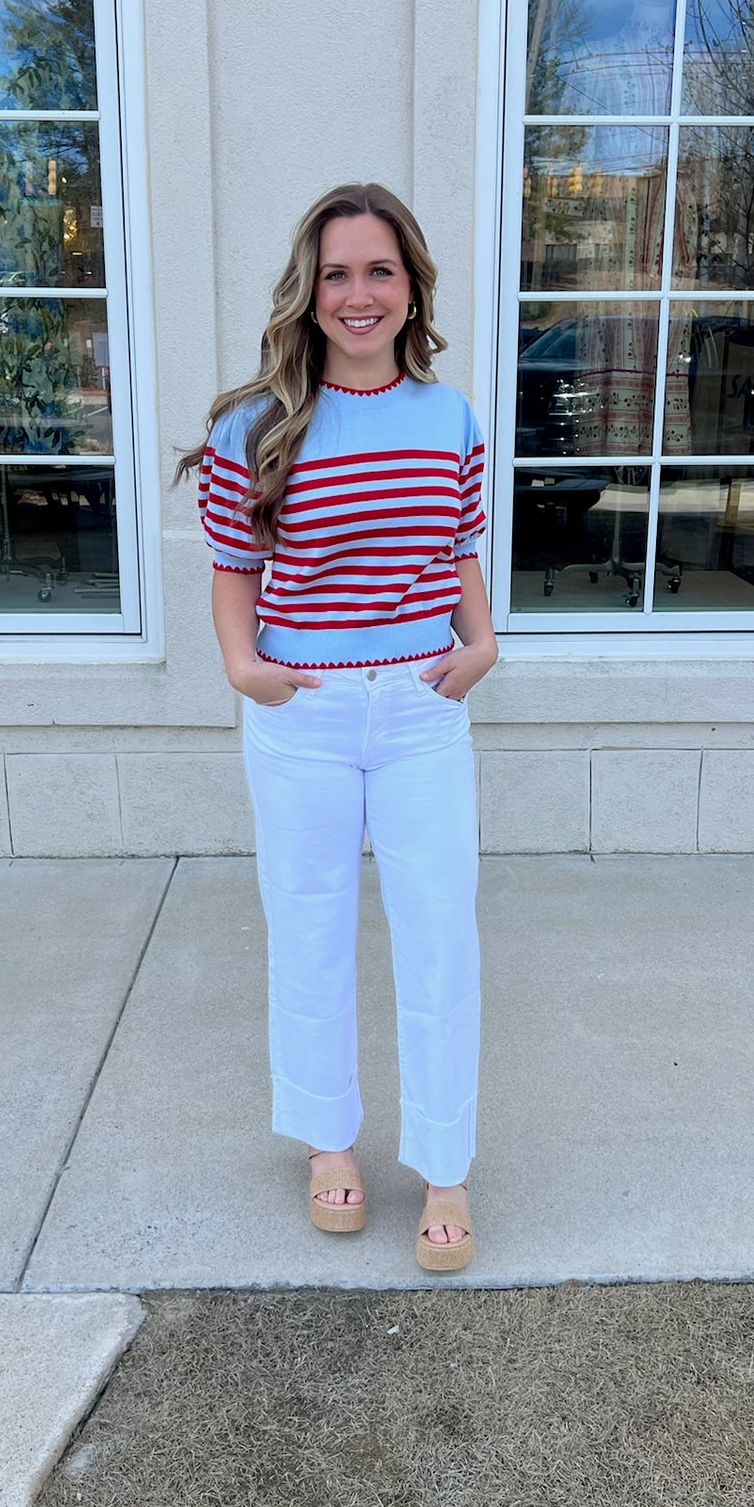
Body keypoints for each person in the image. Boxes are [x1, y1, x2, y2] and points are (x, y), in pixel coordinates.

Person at [175, 182, 497, 1271]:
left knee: (439, 933)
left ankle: (444, 1169)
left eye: (379, 271)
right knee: (308, 929)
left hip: (419, 710)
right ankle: (328, 1144)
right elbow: (233, 565)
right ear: (307, 294)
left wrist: (481, 642)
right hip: (302, 712)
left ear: (411, 287)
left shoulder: (448, 416)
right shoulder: (255, 424)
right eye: (336, 274)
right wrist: (243, 669)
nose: (358, 294)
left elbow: (457, 546)